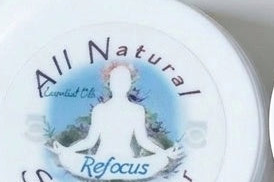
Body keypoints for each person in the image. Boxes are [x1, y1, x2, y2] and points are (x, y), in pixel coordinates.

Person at [50, 64, 180, 165]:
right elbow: (90, 141)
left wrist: (164, 153)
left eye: (124, 80)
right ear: (109, 84)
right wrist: (67, 150)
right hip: (101, 162)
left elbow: (143, 141)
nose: (120, 83)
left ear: (129, 84)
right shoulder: (99, 110)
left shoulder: (137, 111)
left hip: (128, 163)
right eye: (116, 80)